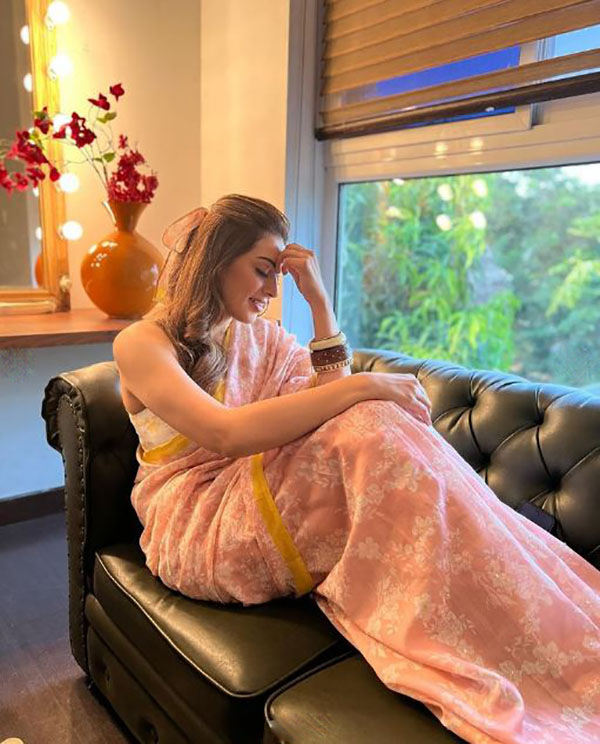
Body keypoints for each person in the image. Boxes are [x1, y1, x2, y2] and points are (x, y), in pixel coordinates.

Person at [113, 194, 600, 744]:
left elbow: (333, 397)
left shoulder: (258, 336)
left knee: (367, 419)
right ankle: (487, 583)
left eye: (277, 276)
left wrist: (319, 302)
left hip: (250, 488)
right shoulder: (141, 342)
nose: (271, 291)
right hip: (196, 521)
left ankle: (501, 581)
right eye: (262, 270)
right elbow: (225, 433)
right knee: (367, 412)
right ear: (215, 260)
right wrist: (366, 384)